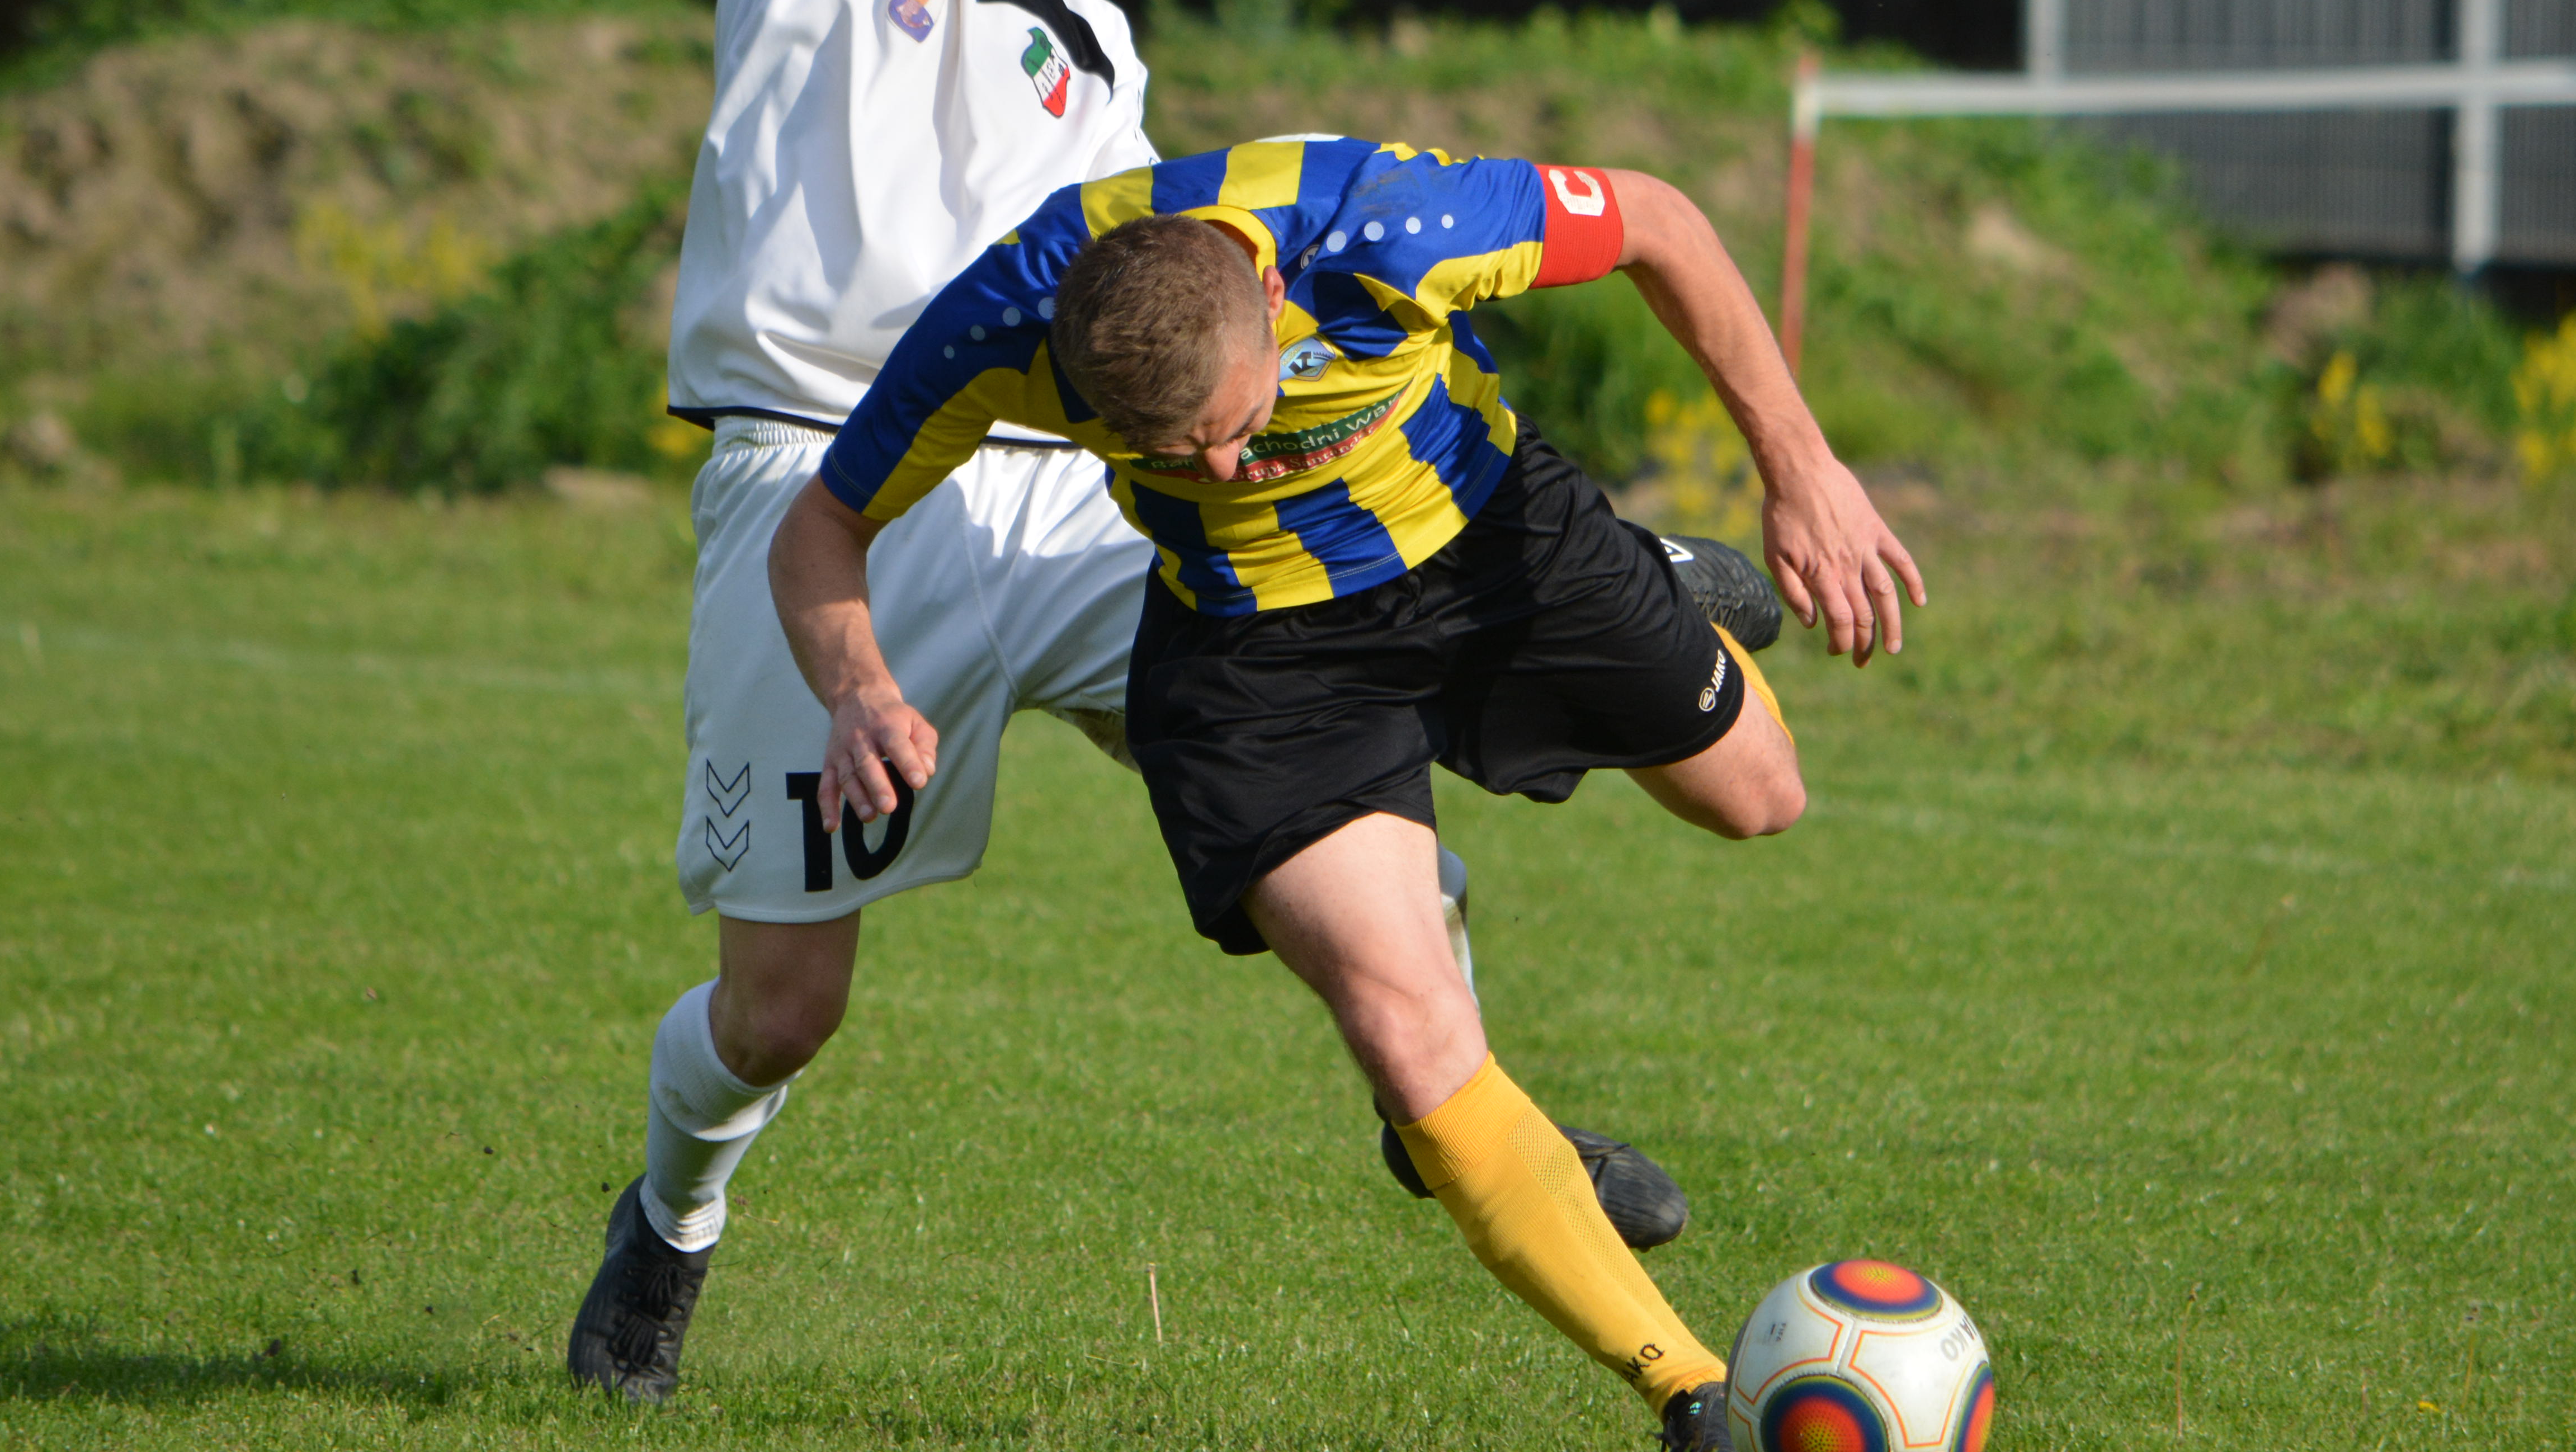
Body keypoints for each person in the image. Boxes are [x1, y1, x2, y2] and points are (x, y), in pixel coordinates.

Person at [570, 0, 1691, 1406]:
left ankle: (1453, 1106)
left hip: (1064, 497)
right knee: (782, 1008)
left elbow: (1147, 320)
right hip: (827, 495)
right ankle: (668, 1228)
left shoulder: (1095, 30)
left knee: (1332, 746)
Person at [770, 140, 1927, 1448]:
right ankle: (1692, 1392)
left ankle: (1647, 572)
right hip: (1258, 653)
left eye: (1230, 428)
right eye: (1165, 449)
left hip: (1488, 537)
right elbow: (820, 527)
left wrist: (1800, 466)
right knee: (1405, 1026)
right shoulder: (1003, 320)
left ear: (1274, 303)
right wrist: (859, 689)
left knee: (1759, 796)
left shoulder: (1390, 225)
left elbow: (1659, 218)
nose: (1217, 470)